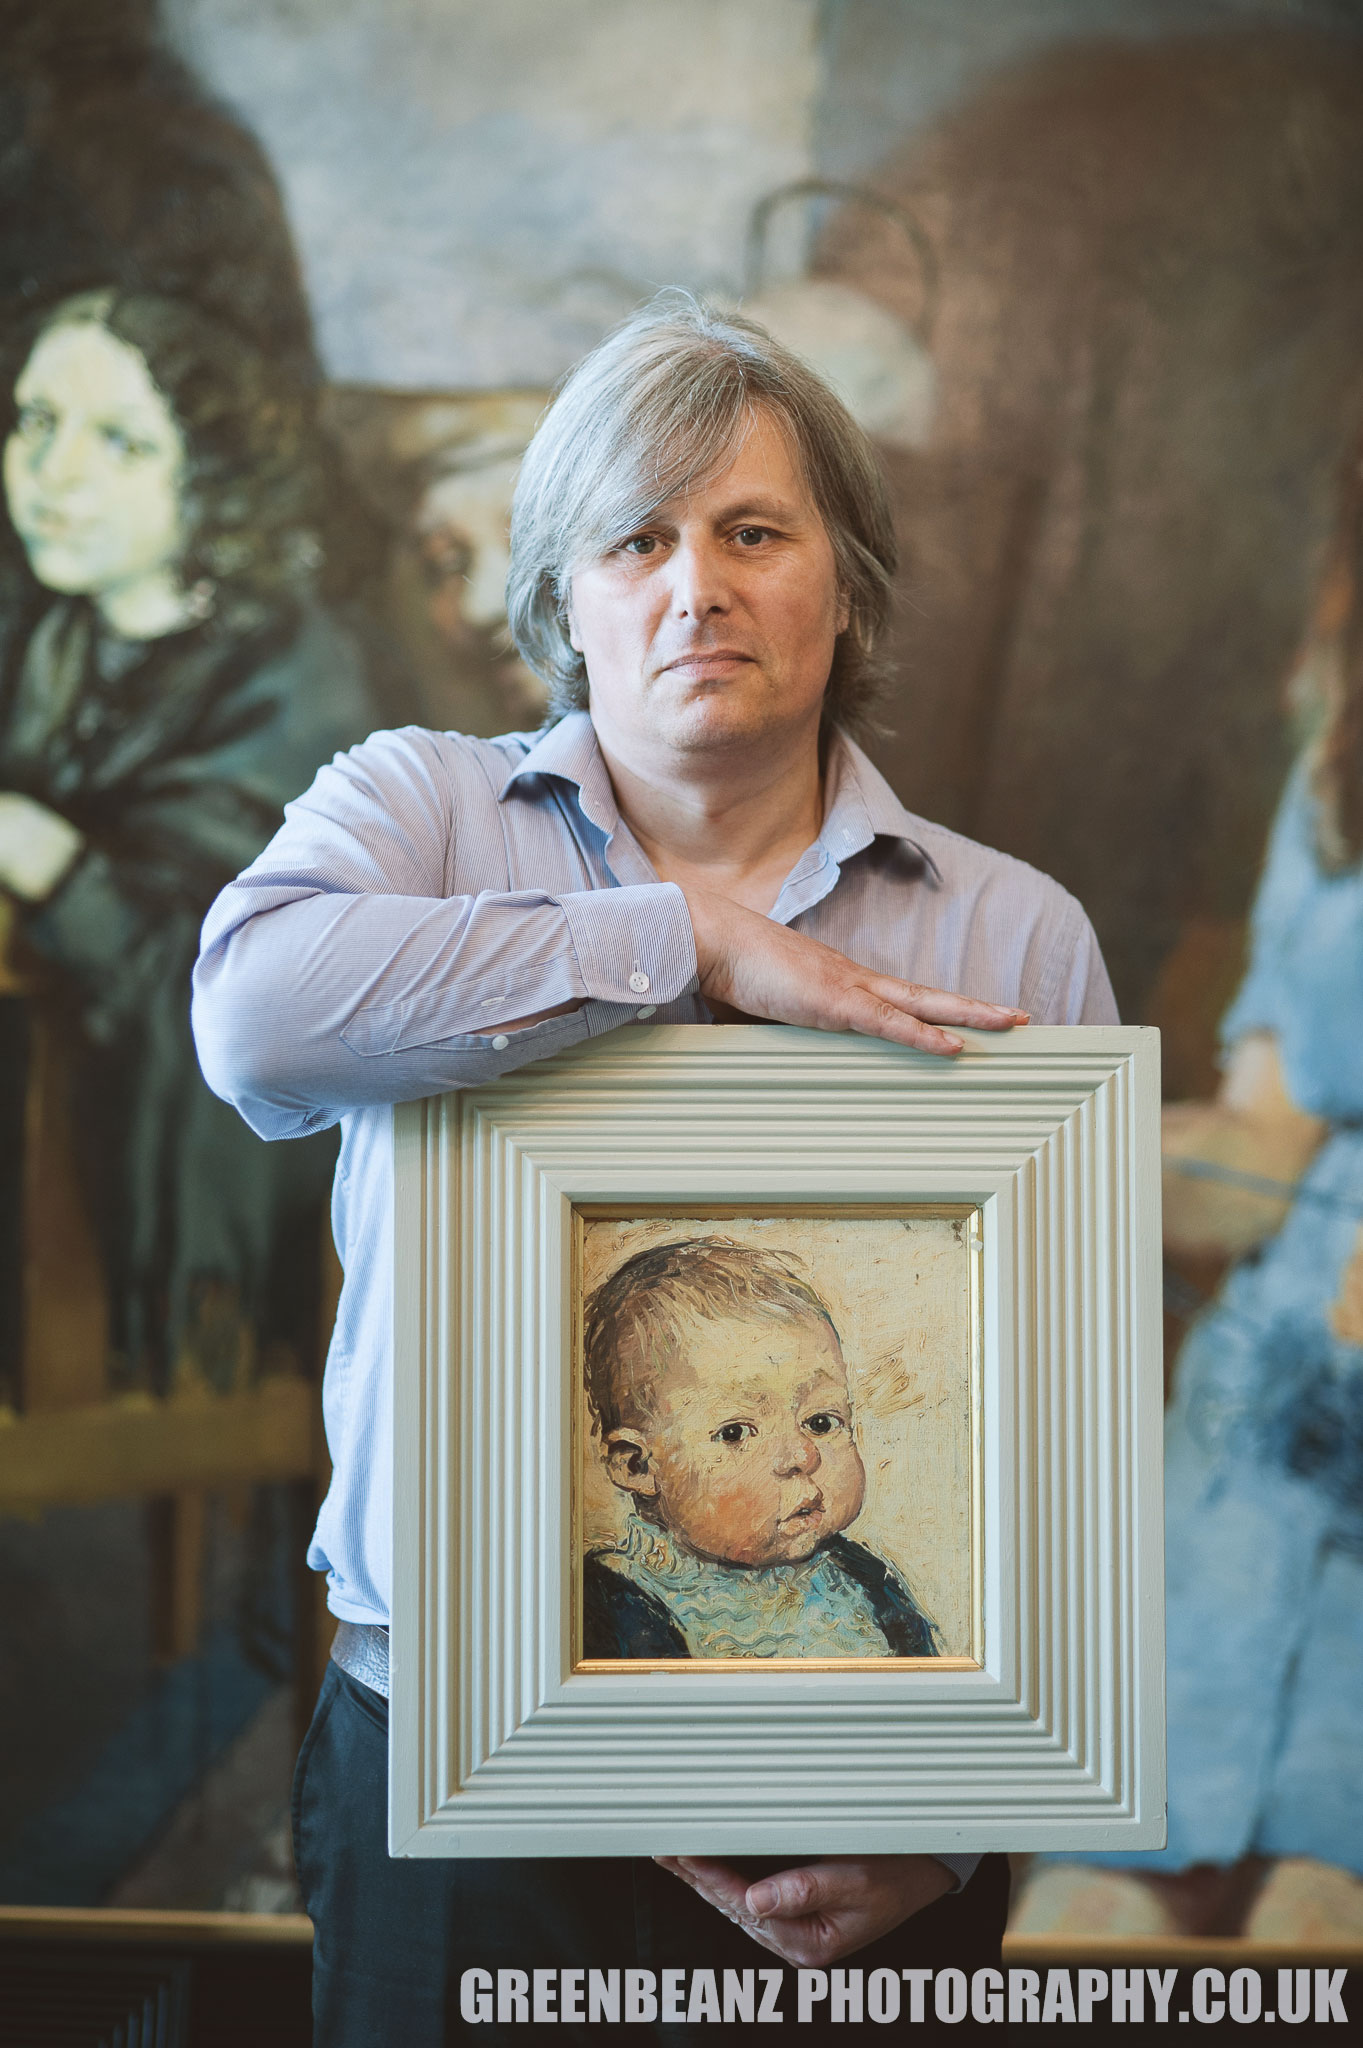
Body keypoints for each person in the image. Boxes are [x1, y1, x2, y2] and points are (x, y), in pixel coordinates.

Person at [192, 294, 1117, 2043]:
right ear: (563, 599)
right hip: (450, 1794)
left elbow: (1066, 1425)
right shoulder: (417, 812)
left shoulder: (1007, 928)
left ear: (842, 584)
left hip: (861, 1830)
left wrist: (956, 1830)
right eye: (639, 538)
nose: (694, 583)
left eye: (752, 531)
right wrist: (674, 934)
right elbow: (247, 1021)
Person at [1015, 437, 1363, 1941]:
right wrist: (990, 1152)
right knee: (1076, 1935)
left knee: (1308, 1933)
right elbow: (1258, 1157)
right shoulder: (1336, 770)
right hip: (1250, 1449)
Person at [0, 287, 399, 1386]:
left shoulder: (289, 683)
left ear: (208, 473)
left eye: (118, 440)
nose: (55, 471)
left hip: (219, 1240)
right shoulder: (40, 641)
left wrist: (42, 854)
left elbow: (234, 976)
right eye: (36, 422)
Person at [581, 1236, 940, 1661]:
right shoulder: (611, 1611)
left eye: (820, 1423)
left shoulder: (866, 1583)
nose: (804, 1456)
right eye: (735, 1434)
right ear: (637, 1465)